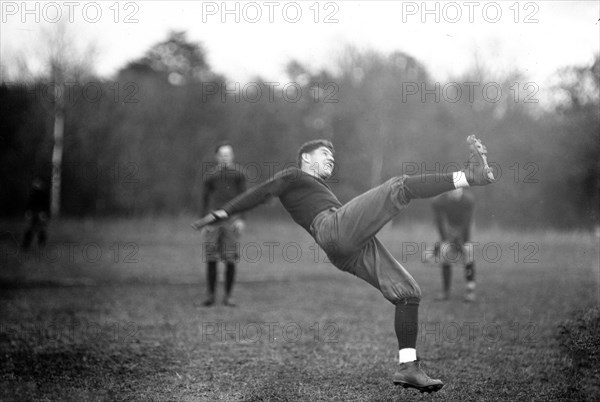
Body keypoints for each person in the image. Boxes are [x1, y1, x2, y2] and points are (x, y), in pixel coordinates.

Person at [191, 135, 495, 393]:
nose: (331, 159)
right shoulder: (294, 175)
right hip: (332, 230)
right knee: (398, 186)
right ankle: (469, 176)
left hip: (345, 248)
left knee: (408, 292)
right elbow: (264, 191)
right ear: (306, 159)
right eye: (325, 154)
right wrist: (223, 213)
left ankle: (408, 366)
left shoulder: (319, 188)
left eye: (332, 156)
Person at [200, 142, 247, 307]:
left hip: (231, 220)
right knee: (211, 258)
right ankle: (210, 296)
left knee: (230, 259)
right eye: (222, 154)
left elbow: (245, 199)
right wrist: (205, 221)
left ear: (232, 156)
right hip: (213, 221)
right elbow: (205, 200)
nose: (225, 157)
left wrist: (241, 219)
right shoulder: (210, 176)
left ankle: (229, 296)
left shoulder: (240, 174)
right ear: (217, 157)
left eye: (228, 154)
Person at [432, 188, 477, 302]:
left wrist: (462, 241)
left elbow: (467, 223)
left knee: (467, 253)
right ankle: (445, 292)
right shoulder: (439, 201)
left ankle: (470, 291)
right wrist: (445, 239)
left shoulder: (468, 200)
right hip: (450, 227)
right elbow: (439, 222)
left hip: (464, 226)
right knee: (444, 253)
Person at [21, 176, 50, 250]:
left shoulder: (44, 194)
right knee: (30, 228)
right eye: (35, 182)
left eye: (37, 182)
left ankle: (42, 244)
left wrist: (44, 213)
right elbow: (29, 204)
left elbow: (46, 205)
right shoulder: (32, 193)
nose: (36, 184)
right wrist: (28, 212)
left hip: (41, 213)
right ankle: (25, 245)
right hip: (33, 212)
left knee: (41, 229)